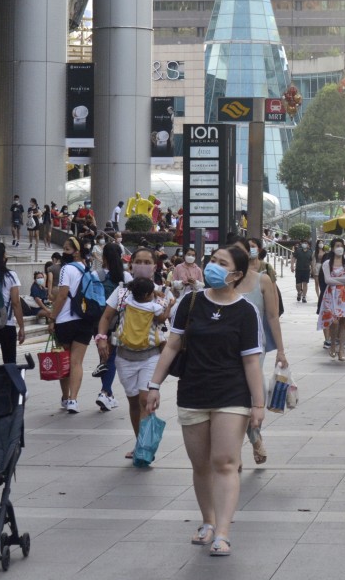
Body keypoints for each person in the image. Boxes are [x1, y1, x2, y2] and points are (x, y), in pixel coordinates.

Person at [144, 245, 264, 557]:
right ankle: (208, 521)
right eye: (212, 260)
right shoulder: (190, 301)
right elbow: (172, 346)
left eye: (221, 263)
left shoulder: (246, 311)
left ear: (236, 274)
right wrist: (154, 385)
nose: (212, 266)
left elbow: (252, 362)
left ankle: (223, 531)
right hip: (193, 391)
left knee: (225, 462)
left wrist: (259, 405)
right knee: (201, 465)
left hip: (232, 394)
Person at [97, 261, 172, 456]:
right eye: (138, 261)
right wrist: (102, 338)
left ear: (154, 266)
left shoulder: (156, 291)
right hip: (125, 357)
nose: (142, 265)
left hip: (150, 356)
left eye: (148, 262)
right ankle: (140, 442)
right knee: (134, 403)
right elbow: (106, 317)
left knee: (145, 399)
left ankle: (145, 448)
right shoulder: (123, 295)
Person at [234, 238, 287, 464]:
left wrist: (281, 351)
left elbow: (273, 317)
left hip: (256, 347)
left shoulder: (263, 280)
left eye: (241, 251)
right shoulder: (224, 281)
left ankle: (255, 436)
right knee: (232, 397)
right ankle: (234, 451)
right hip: (227, 346)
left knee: (253, 392)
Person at [47, 237, 96, 413]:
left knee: (64, 360)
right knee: (77, 363)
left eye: (67, 249)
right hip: (85, 320)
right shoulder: (88, 269)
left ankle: (66, 397)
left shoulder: (66, 269)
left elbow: (62, 296)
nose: (64, 252)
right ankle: (74, 400)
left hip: (66, 320)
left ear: (76, 251)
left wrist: (52, 318)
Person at [92, 242, 135, 412]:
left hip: (98, 322)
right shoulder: (125, 277)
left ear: (103, 258)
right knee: (111, 358)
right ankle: (105, 392)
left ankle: (107, 394)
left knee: (104, 357)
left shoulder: (96, 274)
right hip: (118, 322)